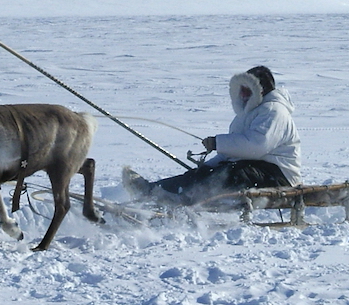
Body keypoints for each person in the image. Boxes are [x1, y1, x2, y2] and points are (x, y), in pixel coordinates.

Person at [123, 66, 301, 204]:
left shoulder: (274, 111)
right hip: (252, 167)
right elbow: (234, 152)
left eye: (247, 90)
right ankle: (153, 191)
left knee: (229, 174)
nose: (243, 94)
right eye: (242, 89)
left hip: (279, 175)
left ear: (260, 90)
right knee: (204, 174)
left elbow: (256, 146)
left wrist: (217, 143)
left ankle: (181, 200)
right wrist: (207, 167)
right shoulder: (248, 113)